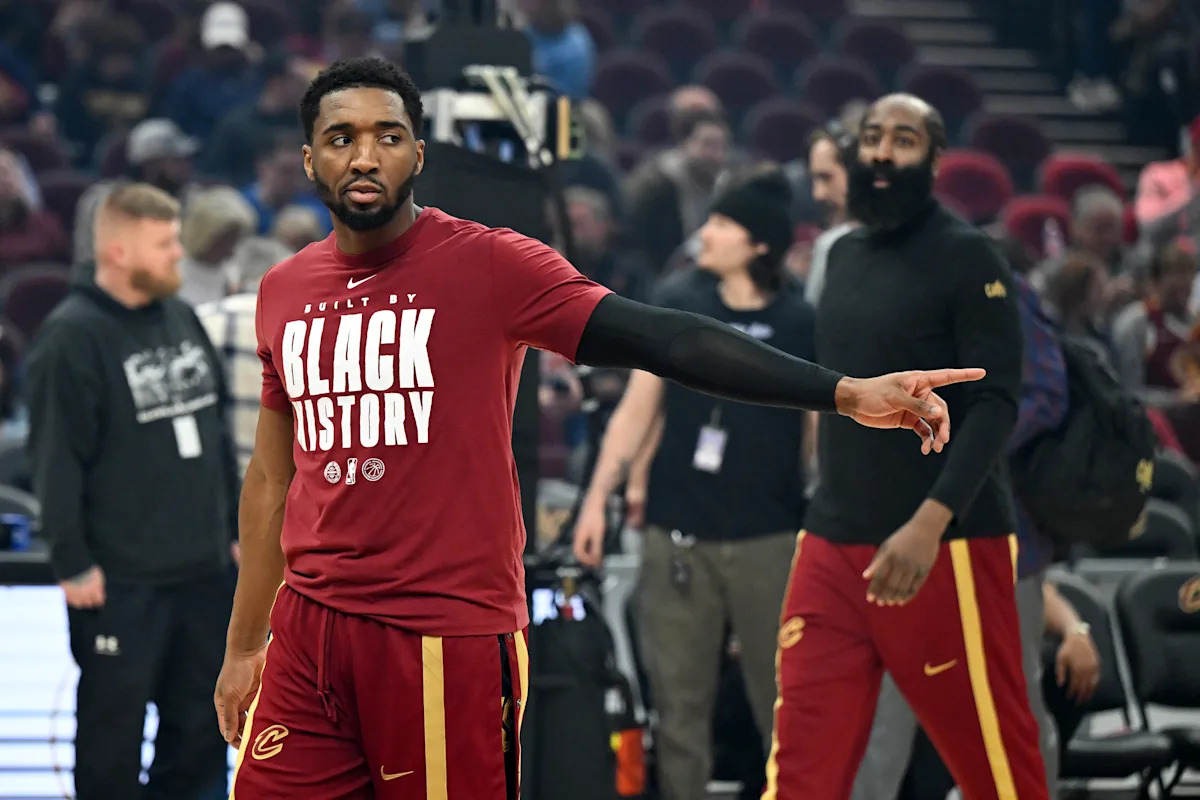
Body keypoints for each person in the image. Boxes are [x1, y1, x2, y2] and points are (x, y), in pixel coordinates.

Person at [213, 58, 985, 800]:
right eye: (341, 138)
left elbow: (665, 340)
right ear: (309, 160)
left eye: (387, 136)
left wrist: (841, 392)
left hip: (440, 633)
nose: (364, 156)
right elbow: (272, 481)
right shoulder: (285, 290)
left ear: (418, 154)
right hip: (308, 634)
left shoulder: (488, 265)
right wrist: (245, 644)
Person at [764, 93, 1050, 800]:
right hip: (831, 541)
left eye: (903, 139)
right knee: (799, 770)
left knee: (997, 770)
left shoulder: (968, 255)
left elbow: (996, 402)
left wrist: (930, 523)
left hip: (945, 545)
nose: (883, 152)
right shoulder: (840, 254)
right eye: (872, 137)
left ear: (934, 158)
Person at [573, 168, 814, 800]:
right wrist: (597, 499)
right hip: (678, 532)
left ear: (760, 243)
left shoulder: (801, 320)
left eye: (723, 223)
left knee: (785, 710)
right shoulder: (680, 298)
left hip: (771, 537)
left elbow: (816, 437)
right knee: (678, 713)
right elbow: (637, 409)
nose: (705, 232)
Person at [849, 237, 1100, 800]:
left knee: (1014, 706)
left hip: (999, 534)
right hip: (902, 527)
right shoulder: (876, 296)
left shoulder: (1003, 293)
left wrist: (964, 445)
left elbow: (1045, 394)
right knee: (883, 713)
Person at [25, 183, 241, 800]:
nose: (178, 254)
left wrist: (233, 532)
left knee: (200, 733)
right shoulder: (71, 338)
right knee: (111, 740)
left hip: (203, 571)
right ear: (118, 252)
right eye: (164, 243)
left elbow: (216, 434)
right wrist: (71, 561)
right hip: (121, 581)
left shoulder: (181, 318)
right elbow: (55, 460)